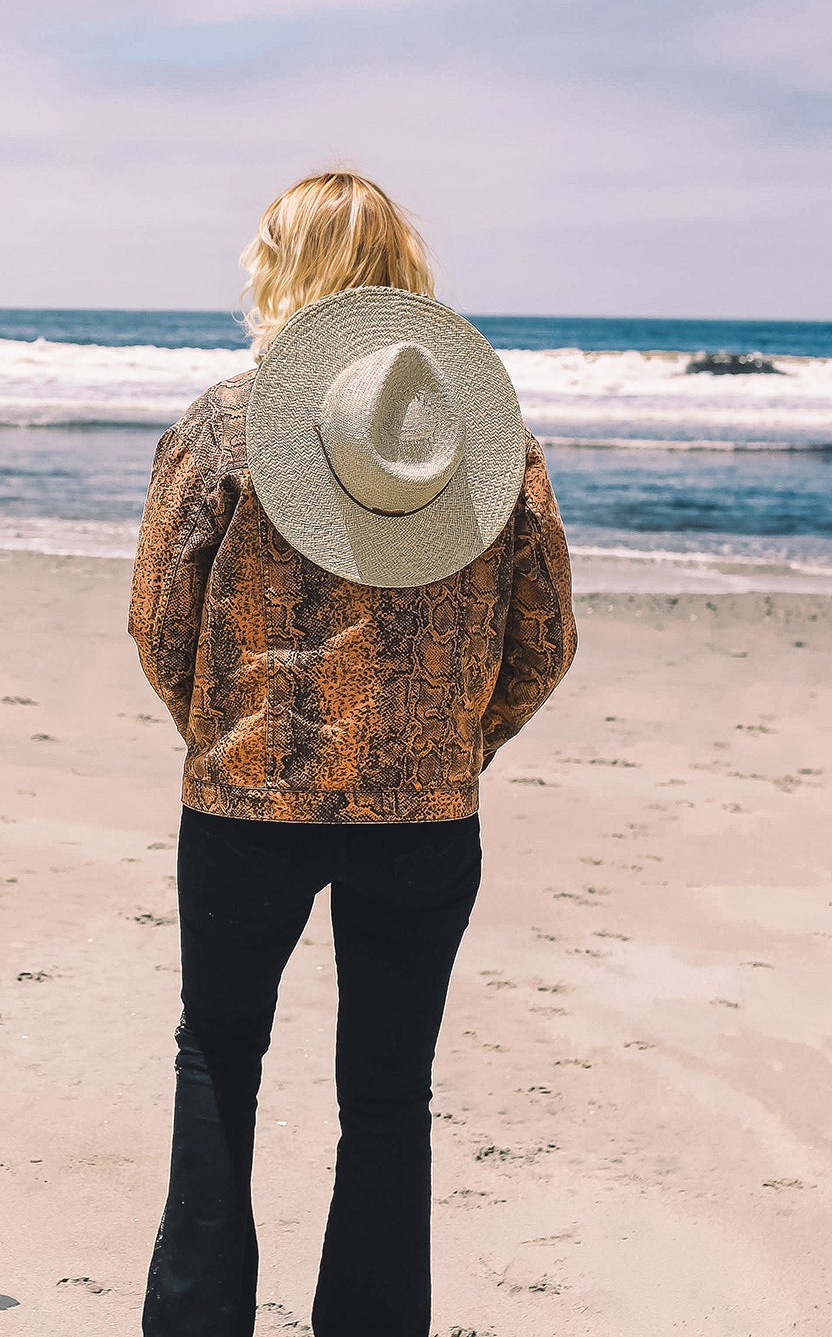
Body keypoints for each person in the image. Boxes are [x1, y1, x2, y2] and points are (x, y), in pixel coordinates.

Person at [130, 171, 576, 1337]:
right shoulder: (490, 443)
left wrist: (225, 734)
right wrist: (455, 743)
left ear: (281, 268)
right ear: (402, 271)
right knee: (388, 1098)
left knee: (218, 1058)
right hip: (426, 817)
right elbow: (545, 640)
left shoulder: (223, 423)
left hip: (243, 803)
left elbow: (158, 623)